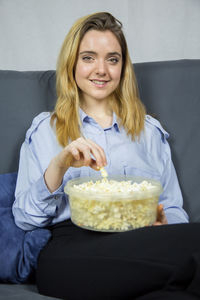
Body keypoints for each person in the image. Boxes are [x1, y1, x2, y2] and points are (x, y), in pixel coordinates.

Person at [12, 12, 200, 300]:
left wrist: (164, 223)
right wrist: (60, 164)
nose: (101, 69)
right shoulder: (44, 130)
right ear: (71, 64)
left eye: (112, 59)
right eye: (88, 58)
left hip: (142, 243)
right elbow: (25, 219)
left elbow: (174, 208)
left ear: (123, 67)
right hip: (71, 253)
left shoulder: (150, 133)